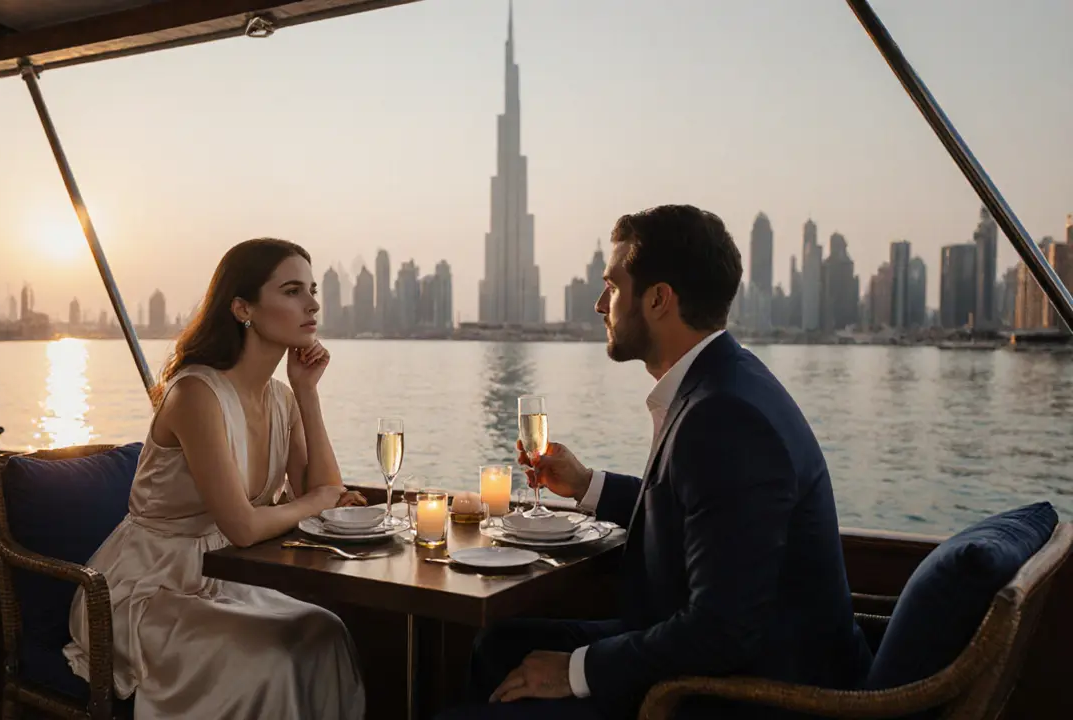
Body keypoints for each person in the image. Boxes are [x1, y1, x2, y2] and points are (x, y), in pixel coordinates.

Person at [442, 206, 871, 719]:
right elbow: (693, 510)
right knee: (501, 646)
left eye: (613, 286)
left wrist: (574, 671)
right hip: (711, 653)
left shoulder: (725, 417)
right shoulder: (723, 380)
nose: (600, 303)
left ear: (659, 298)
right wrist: (587, 485)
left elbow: (721, 631)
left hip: (744, 695)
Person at [63, 238, 368, 719]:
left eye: (312, 290)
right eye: (292, 291)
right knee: (270, 659)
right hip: (146, 590)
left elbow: (321, 492)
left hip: (220, 576)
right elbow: (248, 525)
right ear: (242, 307)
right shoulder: (195, 394)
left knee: (326, 632)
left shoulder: (283, 398)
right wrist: (321, 499)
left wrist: (308, 394)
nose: (312, 304)